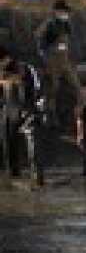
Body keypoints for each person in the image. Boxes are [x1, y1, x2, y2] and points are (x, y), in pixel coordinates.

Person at [0, 46, 44, 186]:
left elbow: (36, 88)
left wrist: (37, 106)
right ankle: (13, 172)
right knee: (8, 141)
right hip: (10, 109)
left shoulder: (26, 68)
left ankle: (37, 175)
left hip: (27, 108)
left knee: (33, 145)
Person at [36, 0, 81, 126]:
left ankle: (79, 114)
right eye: (64, 11)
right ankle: (49, 117)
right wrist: (46, 60)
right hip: (52, 62)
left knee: (76, 86)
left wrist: (72, 59)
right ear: (56, 12)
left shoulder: (66, 24)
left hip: (65, 61)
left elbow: (69, 43)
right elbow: (40, 44)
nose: (66, 14)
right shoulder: (48, 25)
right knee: (52, 91)